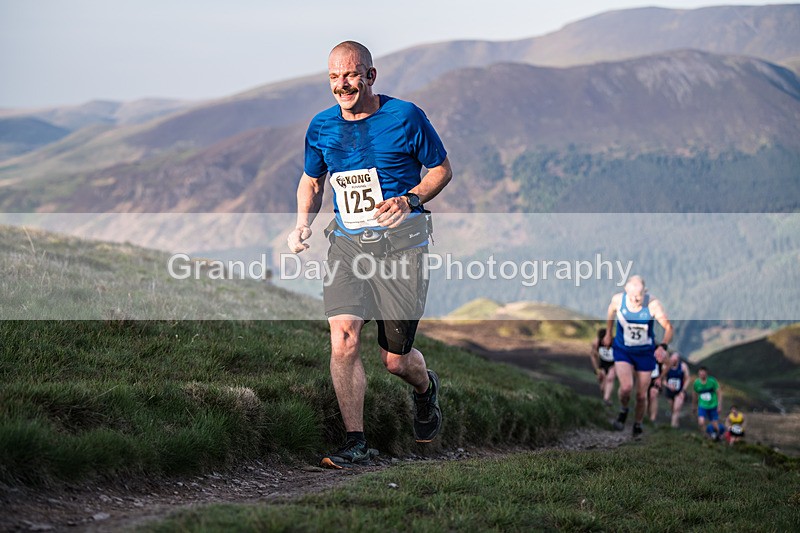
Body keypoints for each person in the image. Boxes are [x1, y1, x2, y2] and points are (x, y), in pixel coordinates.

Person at [287, 41, 453, 469]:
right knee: (343, 336)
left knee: (396, 360)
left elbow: (441, 170)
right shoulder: (321, 126)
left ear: (371, 76)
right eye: (334, 77)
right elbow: (312, 180)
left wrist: (410, 200)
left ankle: (425, 388)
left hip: (402, 248)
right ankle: (355, 440)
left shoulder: (406, 117)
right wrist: (303, 222)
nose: (342, 85)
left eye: (351, 75)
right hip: (347, 244)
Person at [603, 275, 673, 438]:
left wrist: (663, 345)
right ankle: (623, 409)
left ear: (645, 293)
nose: (635, 299)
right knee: (626, 387)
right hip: (623, 350)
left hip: (645, 352)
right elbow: (610, 312)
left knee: (642, 395)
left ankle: (638, 424)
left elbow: (669, 327)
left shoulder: (652, 304)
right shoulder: (618, 300)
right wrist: (608, 333)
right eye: (632, 296)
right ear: (626, 290)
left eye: (639, 296)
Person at [693, 366, 723, 440]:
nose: (702, 375)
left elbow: (719, 392)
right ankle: (706, 436)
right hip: (702, 405)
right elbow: (695, 395)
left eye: (703, 373)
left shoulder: (712, 381)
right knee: (701, 422)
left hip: (713, 405)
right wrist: (694, 406)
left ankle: (718, 436)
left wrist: (719, 405)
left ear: (706, 373)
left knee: (715, 424)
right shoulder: (696, 383)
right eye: (700, 373)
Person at [589, 328, 616, 406]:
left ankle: (606, 399)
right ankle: (607, 398)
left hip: (613, 364)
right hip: (602, 364)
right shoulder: (596, 343)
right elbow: (593, 356)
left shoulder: (615, 343)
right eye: (602, 341)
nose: (604, 343)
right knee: (602, 384)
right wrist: (597, 370)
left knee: (610, 378)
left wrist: (615, 367)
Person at [664, 352, 690, 428]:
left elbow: (688, 378)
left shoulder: (683, 366)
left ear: (678, 360)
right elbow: (662, 379)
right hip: (670, 391)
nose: (673, 361)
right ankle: (676, 423)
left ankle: (672, 427)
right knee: (673, 408)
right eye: (672, 359)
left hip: (680, 392)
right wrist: (669, 385)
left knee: (676, 408)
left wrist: (683, 390)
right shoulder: (666, 366)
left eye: (675, 360)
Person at [647, 349, 666, 423]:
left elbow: (668, 363)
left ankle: (652, 419)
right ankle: (645, 417)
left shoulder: (659, 350)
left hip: (655, 378)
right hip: (645, 377)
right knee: (645, 397)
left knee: (653, 394)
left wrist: (660, 377)